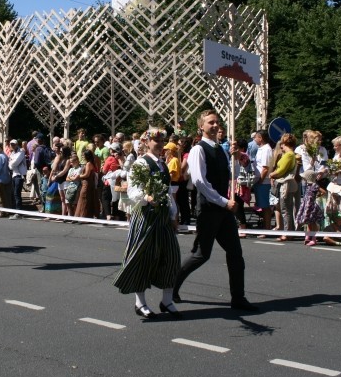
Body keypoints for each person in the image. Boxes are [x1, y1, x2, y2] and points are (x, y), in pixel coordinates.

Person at [173, 110, 258, 311]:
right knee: (201, 254)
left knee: (235, 253)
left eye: (217, 122)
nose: (215, 125)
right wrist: (222, 201)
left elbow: (234, 174)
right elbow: (200, 182)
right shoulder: (198, 150)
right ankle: (172, 286)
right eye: (211, 122)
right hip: (210, 209)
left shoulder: (221, 150)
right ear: (201, 126)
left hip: (224, 210)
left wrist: (236, 158)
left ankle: (238, 297)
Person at [112, 128, 182, 319]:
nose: (159, 143)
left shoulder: (163, 165)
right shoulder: (140, 164)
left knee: (172, 257)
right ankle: (140, 303)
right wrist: (146, 197)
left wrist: (173, 214)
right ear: (146, 142)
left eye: (162, 140)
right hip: (145, 216)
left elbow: (168, 193)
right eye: (155, 140)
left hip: (162, 217)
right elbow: (133, 191)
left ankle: (167, 300)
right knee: (142, 258)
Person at [269, 133, 299, 241]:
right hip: (287, 183)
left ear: (284, 142)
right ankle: (289, 231)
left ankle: (287, 233)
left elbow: (281, 170)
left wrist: (272, 174)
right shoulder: (291, 154)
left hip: (285, 184)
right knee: (287, 209)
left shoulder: (289, 155)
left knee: (285, 209)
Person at [252, 130, 274, 236]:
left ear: (261, 138)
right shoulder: (261, 149)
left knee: (265, 207)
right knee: (263, 206)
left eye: (256, 137)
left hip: (264, 183)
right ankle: (266, 227)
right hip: (260, 181)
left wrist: (260, 181)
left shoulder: (266, 150)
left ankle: (267, 229)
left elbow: (265, 168)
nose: (254, 139)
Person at [74, 149, 100, 219]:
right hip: (86, 184)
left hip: (87, 184)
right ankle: (83, 215)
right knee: (85, 199)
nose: (82, 157)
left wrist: (79, 176)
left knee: (84, 199)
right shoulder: (89, 163)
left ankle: (83, 216)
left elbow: (87, 174)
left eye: (83, 155)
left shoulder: (88, 164)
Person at [8, 139, 27, 219]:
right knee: (14, 194)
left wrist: (12, 163)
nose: (12, 146)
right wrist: (12, 164)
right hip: (14, 175)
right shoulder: (12, 153)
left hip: (19, 175)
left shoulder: (21, 152)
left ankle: (18, 212)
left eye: (14, 144)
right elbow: (10, 165)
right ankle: (17, 211)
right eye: (11, 144)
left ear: (17, 145)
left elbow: (15, 163)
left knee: (17, 194)